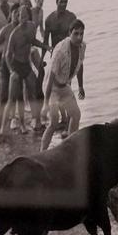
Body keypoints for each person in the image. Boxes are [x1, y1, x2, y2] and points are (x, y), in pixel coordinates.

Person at [0, 4, 47, 140]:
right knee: (12, 98)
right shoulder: (14, 34)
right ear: (18, 17)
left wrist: (46, 46)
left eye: (25, 15)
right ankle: (1, 131)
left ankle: (37, 121)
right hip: (16, 66)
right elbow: (7, 55)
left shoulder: (32, 26)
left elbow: (33, 41)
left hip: (26, 65)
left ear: (28, 16)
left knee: (33, 92)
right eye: (21, 16)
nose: (23, 18)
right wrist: (12, 71)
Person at [40, 19, 86, 151]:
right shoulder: (60, 50)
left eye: (81, 34)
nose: (79, 37)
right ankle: (42, 153)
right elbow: (50, 79)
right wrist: (45, 104)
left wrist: (81, 86)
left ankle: (70, 149)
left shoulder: (82, 46)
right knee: (54, 123)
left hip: (64, 86)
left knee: (76, 114)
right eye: (76, 34)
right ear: (69, 33)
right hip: (52, 88)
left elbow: (80, 64)